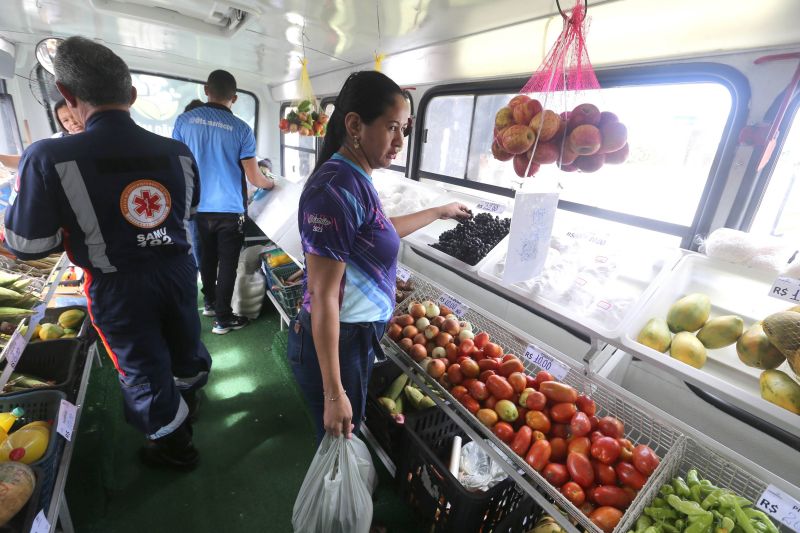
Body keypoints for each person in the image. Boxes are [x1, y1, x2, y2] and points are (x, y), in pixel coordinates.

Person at [4, 36, 211, 470]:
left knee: (141, 369)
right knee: (185, 347)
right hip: (177, 270)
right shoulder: (178, 152)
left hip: (118, 285)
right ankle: (189, 404)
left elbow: (28, 246)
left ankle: (177, 449)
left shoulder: (48, 156)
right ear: (132, 95)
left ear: (66, 94)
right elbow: (186, 211)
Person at [288, 71, 471, 442]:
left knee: (345, 438)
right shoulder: (334, 189)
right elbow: (324, 296)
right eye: (391, 128)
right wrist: (334, 393)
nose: (400, 141)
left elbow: (379, 232)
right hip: (340, 341)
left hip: (356, 335)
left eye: (404, 129)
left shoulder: (357, 178)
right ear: (355, 125)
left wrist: (438, 211)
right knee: (339, 440)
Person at [172, 70, 274, 334]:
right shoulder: (241, 129)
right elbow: (254, 176)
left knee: (205, 258)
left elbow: (177, 166)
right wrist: (270, 184)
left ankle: (209, 303)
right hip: (230, 210)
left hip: (197, 208)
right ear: (235, 98)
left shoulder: (184, 121)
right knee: (227, 264)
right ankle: (223, 318)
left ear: (206, 90)